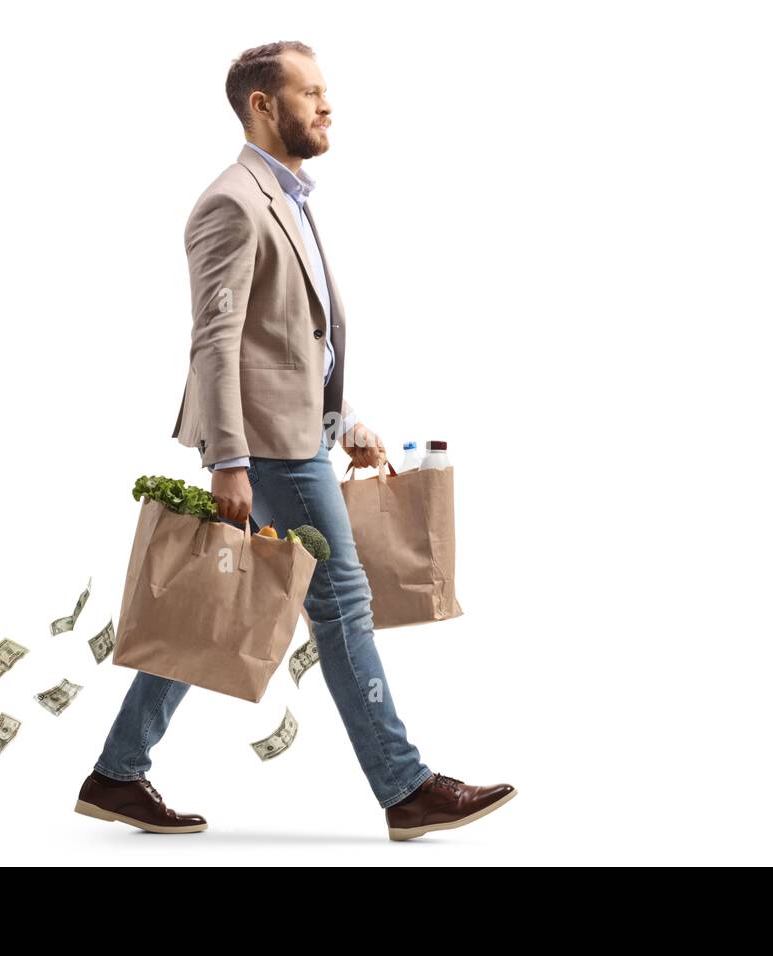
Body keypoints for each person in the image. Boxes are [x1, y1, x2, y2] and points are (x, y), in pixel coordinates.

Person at [74, 41, 516, 841]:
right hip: (267, 450)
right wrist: (229, 462)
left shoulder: (291, 197)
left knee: (228, 598)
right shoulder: (233, 203)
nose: (326, 105)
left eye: (325, 92)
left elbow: (288, 341)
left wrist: (343, 421)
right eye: (310, 92)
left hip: (297, 437)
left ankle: (117, 773)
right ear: (261, 106)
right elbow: (216, 341)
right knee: (340, 601)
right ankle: (405, 785)